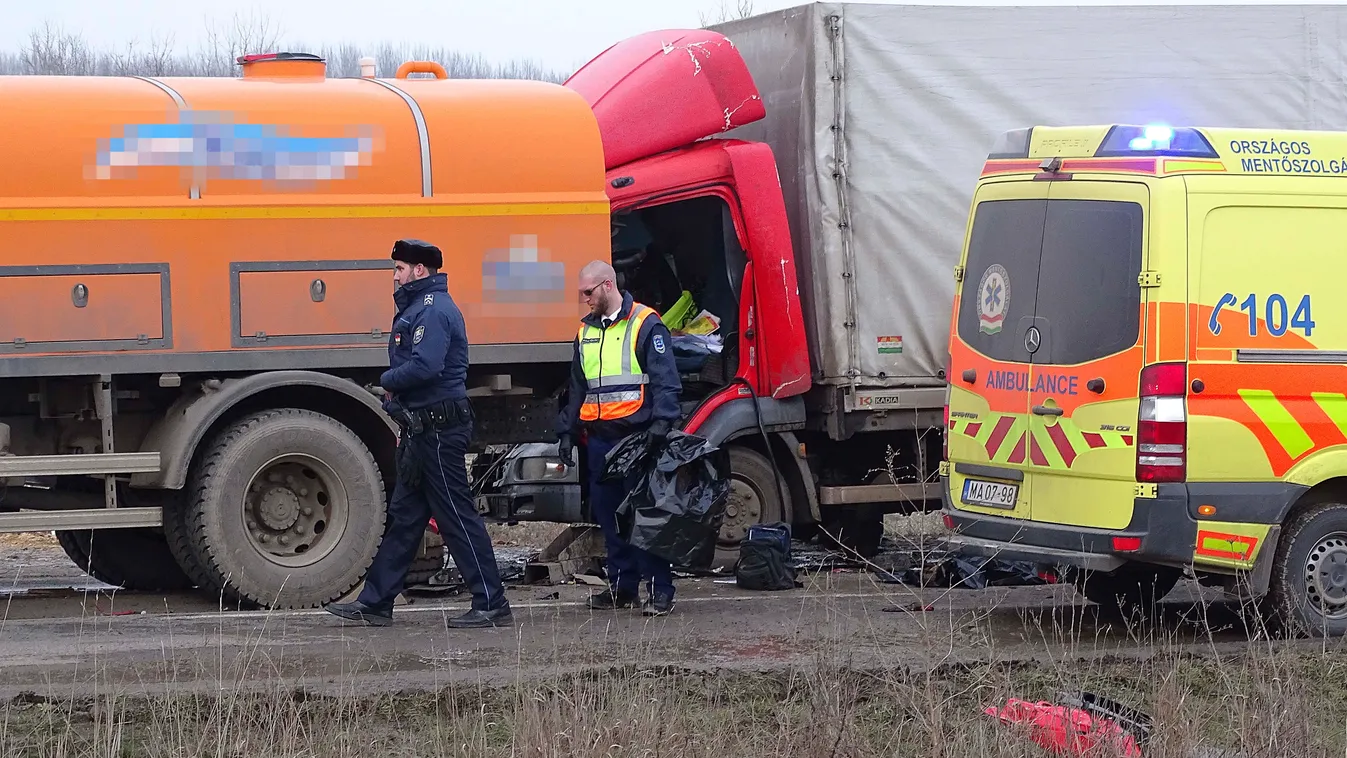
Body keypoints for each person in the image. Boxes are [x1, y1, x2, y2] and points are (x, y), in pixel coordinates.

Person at [325, 239, 512, 629]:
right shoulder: (417, 308)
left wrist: (387, 381)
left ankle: (492, 603)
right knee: (406, 518)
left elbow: (425, 366)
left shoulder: (434, 310)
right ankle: (375, 603)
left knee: (457, 516)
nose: (395, 276)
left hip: (440, 431)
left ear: (420, 270)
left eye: (399, 269)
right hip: (421, 430)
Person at [557, 260, 683, 616]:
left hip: (637, 438)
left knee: (645, 517)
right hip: (599, 440)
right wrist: (567, 433)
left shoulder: (645, 324)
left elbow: (665, 380)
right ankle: (623, 588)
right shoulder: (586, 332)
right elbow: (578, 388)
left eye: (588, 292)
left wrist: (661, 425)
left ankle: (660, 590)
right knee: (609, 517)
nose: (584, 299)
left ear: (608, 286)